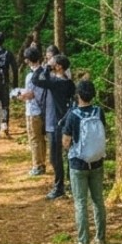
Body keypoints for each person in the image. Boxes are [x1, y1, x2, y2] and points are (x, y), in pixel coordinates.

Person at [61, 79, 107, 244]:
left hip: (78, 164)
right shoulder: (99, 112)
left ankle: (83, 242)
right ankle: (100, 239)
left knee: (80, 203)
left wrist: (69, 146)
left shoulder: (73, 115)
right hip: (97, 161)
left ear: (78, 95)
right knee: (98, 201)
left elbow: (66, 142)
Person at [32, 53, 75, 199]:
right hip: (64, 123)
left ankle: (59, 187)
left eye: (52, 61)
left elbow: (36, 80)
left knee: (55, 158)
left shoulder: (56, 82)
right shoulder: (69, 83)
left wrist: (43, 67)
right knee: (67, 155)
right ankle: (70, 184)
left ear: (58, 67)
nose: (48, 61)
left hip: (55, 125)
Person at [18, 45, 47, 176]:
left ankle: (37, 165)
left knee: (34, 138)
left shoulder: (31, 76)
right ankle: (43, 162)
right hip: (43, 110)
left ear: (29, 60)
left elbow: (30, 94)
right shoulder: (44, 72)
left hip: (33, 111)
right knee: (41, 138)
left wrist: (19, 96)